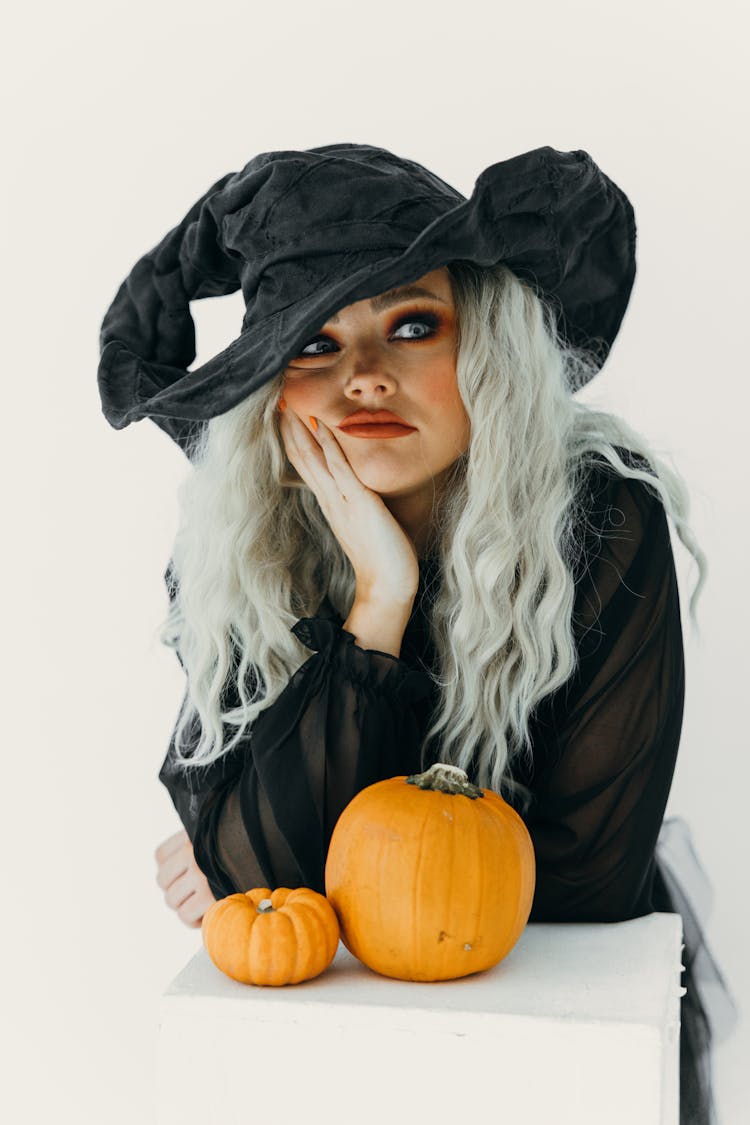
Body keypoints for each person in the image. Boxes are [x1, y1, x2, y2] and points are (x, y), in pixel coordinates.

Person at [99, 144, 737, 1125]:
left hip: (560, 1048)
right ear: (272, 385)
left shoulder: (604, 522)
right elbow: (263, 884)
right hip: (338, 1054)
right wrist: (379, 603)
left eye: (411, 325)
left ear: (482, 342)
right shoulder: (239, 550)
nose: (362, 377)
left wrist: (274, 844)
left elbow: (584, 878)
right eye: (313, 342)